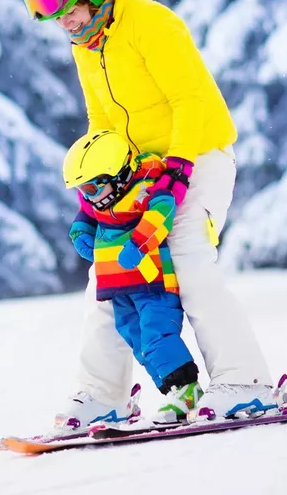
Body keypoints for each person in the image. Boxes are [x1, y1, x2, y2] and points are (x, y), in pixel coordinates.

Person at [23, 0, 277, 427]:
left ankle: (246, 383)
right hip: (137, 175)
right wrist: (97, 191)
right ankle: (103, 395)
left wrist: (179, 167)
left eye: (64, 8)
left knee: (187, 258)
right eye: (49, 14)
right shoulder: (86, 46)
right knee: (108, 274)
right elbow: (101, 119)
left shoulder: (151, 24)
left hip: (198, 156)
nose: (63, 23)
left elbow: (189, 100)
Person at [61, 130, 204, 427]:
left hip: (151, 285)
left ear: (113, 175)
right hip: (118, 288)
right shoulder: (100, 202)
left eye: (88, 187)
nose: (85, 196)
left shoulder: (145, 188)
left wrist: (139, 243)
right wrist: (80, 234)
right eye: (80, 190)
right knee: (138, 341)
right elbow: (84, 218)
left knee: (157, 336)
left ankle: (187, 389)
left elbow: (162, 212)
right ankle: (173, 390)